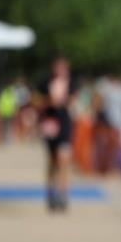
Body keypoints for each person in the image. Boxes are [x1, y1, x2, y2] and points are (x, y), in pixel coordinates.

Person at [36, 55, 78, 211]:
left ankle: (63, 194)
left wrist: (64, 100)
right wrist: (49, 101)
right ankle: (50, 193)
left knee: (64, 159)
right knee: (52, 161)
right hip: (50, 124)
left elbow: (74, 101)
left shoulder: (72, 83)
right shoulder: (45, 83)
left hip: (65, 124)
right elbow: (37, 102)